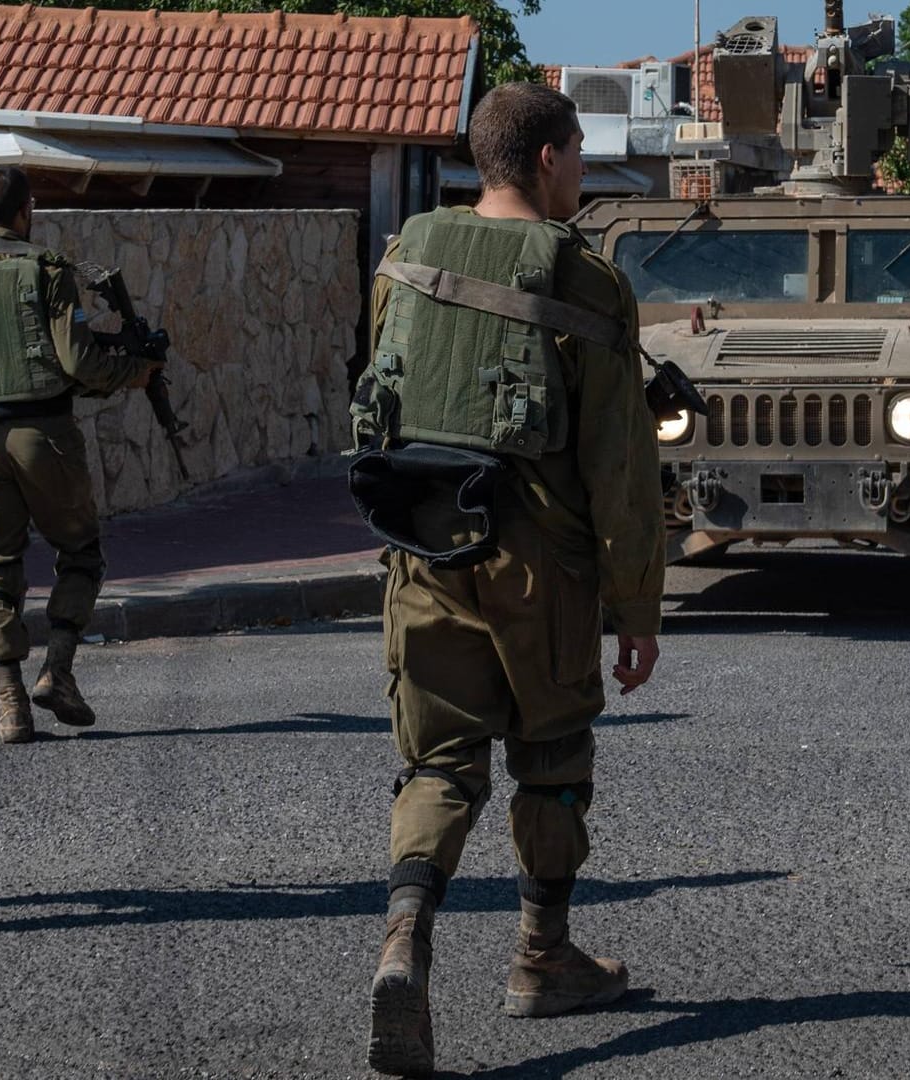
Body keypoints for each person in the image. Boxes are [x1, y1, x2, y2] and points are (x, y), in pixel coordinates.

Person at [348, 82, 667, 1076]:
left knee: (438, 768)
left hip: (422, 550)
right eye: (576, 154)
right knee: (553, 759)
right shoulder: (589, 283)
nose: (580, 172)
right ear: (548, 159)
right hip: (542, 567)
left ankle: (405, 936)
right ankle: (542, 956)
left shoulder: (404, 255)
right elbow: (620, 470)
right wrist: (638, 607)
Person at [0, 166, 153, 744]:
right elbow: (78, 362)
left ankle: (10, 707)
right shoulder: (48, 271)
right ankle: (57, 671)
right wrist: (134, 371)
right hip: (45, 437)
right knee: (80, 554)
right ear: (27, 209)